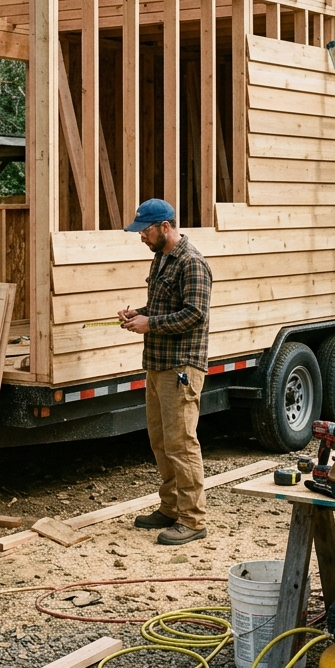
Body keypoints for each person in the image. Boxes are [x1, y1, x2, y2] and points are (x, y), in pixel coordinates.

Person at [118, 198, 213, 545]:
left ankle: (192, 519)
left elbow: (194, 314)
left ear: (165, 227)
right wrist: (138, 315)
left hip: (181, 367)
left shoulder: (192, 263)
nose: (141, 237)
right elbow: (162, 308)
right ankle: (171, 507)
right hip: (158, 365)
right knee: (161, 442)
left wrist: (150, 323)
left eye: (145, 231)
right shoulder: (161, 259)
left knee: (181, 444)